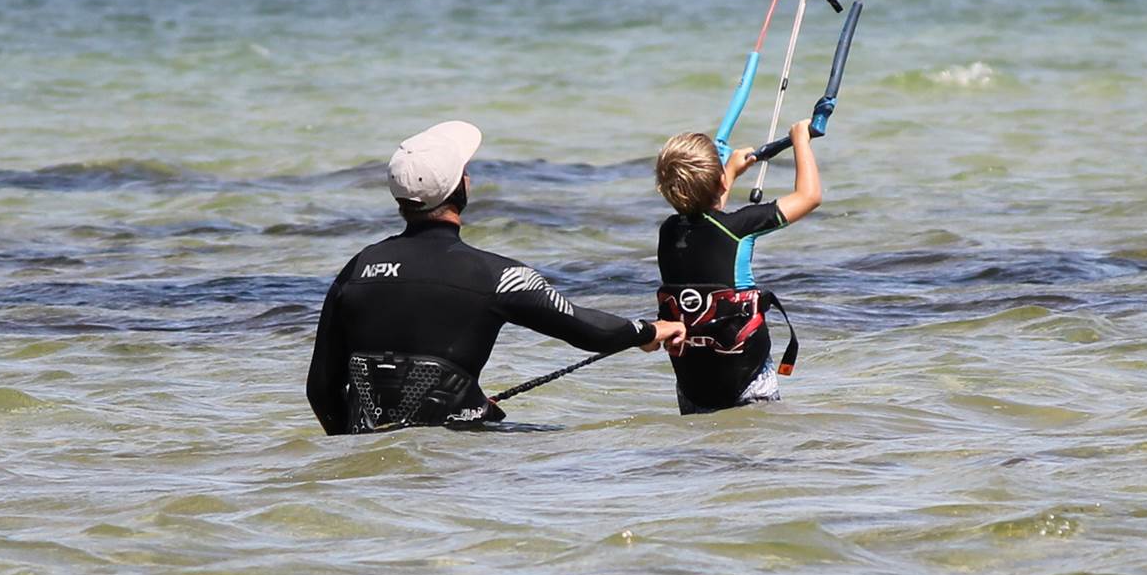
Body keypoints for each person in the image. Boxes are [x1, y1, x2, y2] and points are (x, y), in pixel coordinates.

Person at [306, 120, 683, 434]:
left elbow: (321, 390)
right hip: (462, 462)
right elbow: (587, 329)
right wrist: (648, 331)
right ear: (460, 188)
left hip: (372, 468)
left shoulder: (357, 269)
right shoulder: (497, 276)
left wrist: (354, 451)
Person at [651, 117, 822, 416]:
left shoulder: (669, 232)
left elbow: (706, 219)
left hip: (693, 384)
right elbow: (809, 197)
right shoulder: (739, 228)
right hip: (747, 376)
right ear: (720, 184)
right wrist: (800, 140)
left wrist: (728, 172)